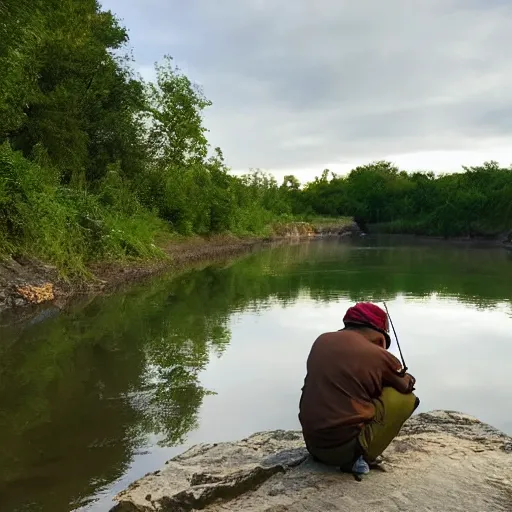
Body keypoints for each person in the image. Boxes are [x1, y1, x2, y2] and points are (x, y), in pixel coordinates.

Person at [298, 302, 419, 475]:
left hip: (313, 445)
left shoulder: (321, 340)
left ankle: (343, 452)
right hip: (341, 454)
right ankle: (358, 457)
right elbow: (406, 386)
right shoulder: (376, 353)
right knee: (405, 398)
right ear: (380, 338)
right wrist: (400, 373)